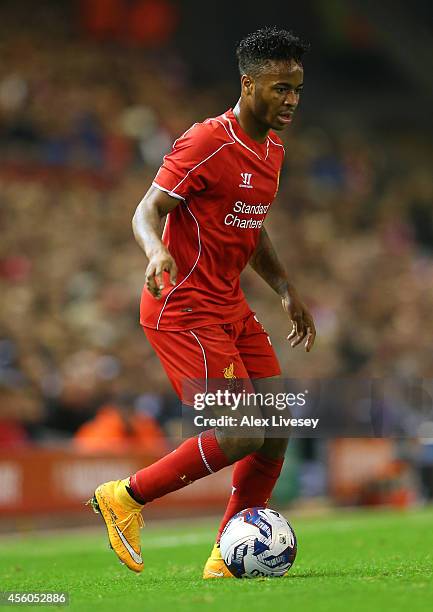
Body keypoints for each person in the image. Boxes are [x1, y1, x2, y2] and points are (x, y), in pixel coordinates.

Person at [88, 26, 316, 578]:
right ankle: (124, 497)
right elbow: (146, 210)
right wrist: (156, 251)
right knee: (241, 432)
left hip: (228, 303)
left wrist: (284, 288)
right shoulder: (207, 141)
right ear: (249, 84)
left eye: (297, 89)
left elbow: (251, 226)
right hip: (182, 305)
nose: (291, 100)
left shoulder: (273, 150)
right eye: (281, 88)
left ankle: (225, 555)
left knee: (278, 420)